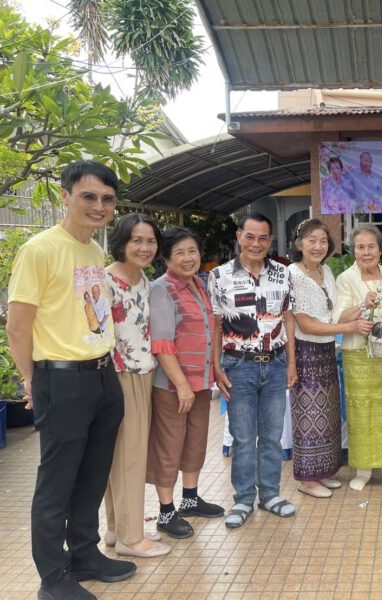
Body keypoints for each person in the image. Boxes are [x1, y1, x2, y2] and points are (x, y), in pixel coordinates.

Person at [7, 160, 135, 600]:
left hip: (102, 375)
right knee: (56, 482)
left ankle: (84, 553)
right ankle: (53, 577)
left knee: (92, 476)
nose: (99, 207)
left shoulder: (93, 250)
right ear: (66, 196)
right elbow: (18, 327)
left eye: (107, 199)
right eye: (88, 197)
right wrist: (31, 380)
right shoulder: (40, 250)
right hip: (60, 379)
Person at [209, 214, 298, 528]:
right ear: (239, 236)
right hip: (238, 366)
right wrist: (216, 366)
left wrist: (291, 363)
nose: (256, 244)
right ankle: (244, 499)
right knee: (244, 438)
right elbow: (216, 325)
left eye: (263, 238)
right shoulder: (219, 276)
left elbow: (288, 318)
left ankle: (271, 494)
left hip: (274, 365)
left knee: (272, 437)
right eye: (250, 237)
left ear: (271, 240)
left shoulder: (284, 274)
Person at [147, 228, 224, 539]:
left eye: (192, 251)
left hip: (201, 381)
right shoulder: (161, 289)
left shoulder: (200, 285)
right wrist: (180, 385)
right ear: (166, 257)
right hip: (173, 386)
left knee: (195, 441)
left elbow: (211, 330)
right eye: (179, 252)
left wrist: (213, 372)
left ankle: (190, 498)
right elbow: (162, 342)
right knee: (169, 445)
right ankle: (166, 512)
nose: (188, 258)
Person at [103, 214, 171, 558]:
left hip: (142, 373)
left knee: (123, 456)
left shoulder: (142, 278)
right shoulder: (107, 280)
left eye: (150, 241)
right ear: (122, 242)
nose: (145, 247)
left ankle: (117, 528)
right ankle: (131, 539)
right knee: (129, 456)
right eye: (137, 241)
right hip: (120, 374)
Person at [289, 219, 372, 498]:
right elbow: (306, 325)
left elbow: (335, 314)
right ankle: (307, 479)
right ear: (299, 243)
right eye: (311, 240)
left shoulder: (326, 271)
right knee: (308, 414)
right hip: (305, 352)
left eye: (323, 241)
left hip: (326, 351)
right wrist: (348, 328)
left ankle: (322, 473)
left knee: (327, 414)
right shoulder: (294, 274)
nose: (318, 246)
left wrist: (362, 307)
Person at [333, 224, 382, 491]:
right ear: (353, 250)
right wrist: (362, 307)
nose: (366, 252)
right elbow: (340, 318)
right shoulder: (345, 279)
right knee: (361, 413)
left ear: (380, 249)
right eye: (360, 247)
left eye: (371, 246)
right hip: (358, 353)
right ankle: (363, 470)